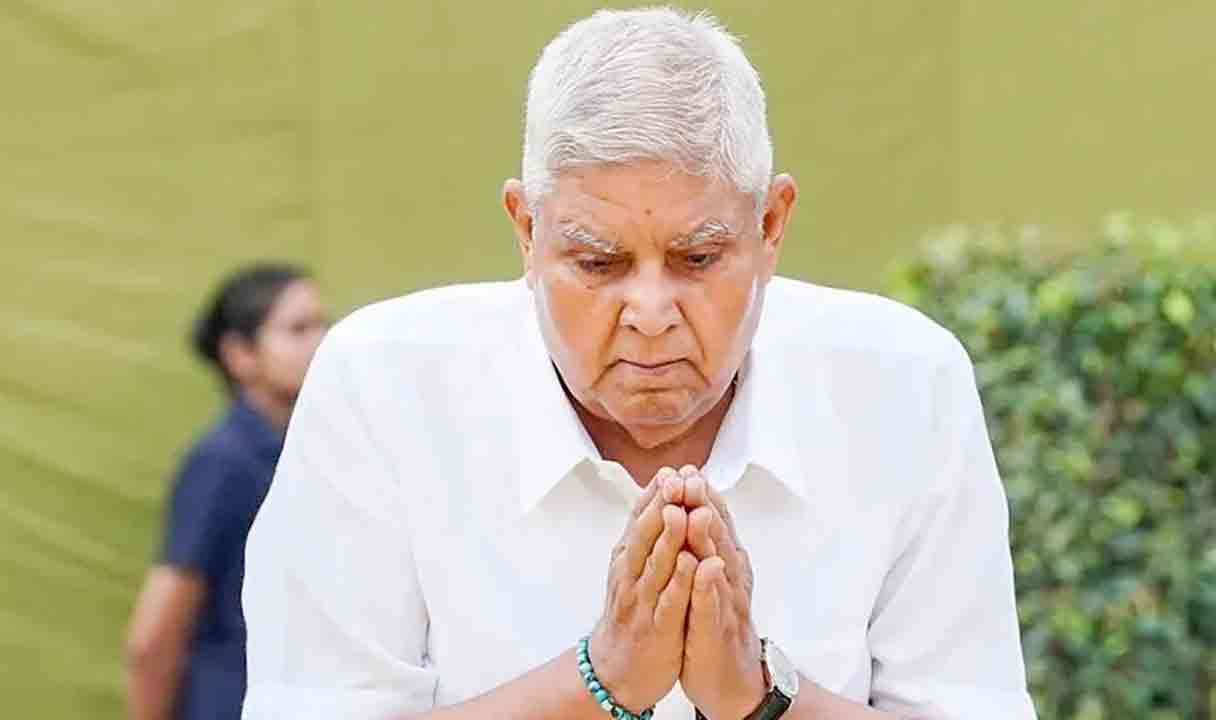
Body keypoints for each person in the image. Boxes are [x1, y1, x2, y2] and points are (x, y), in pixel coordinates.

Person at [242, 8, 1036, 720]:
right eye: (598, 262)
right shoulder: (384, 389)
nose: (650, 314)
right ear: (527, 232)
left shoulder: (902, 387)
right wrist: (599, 681)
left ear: (771, 226)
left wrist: (760, 700)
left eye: (698, 258)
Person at [124, 263, 329, 720]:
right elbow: (154, 639)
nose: (320, 342)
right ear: (240, 354)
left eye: (322, 324)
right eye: (298, 329)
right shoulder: (223, 463)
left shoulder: (312, 455)